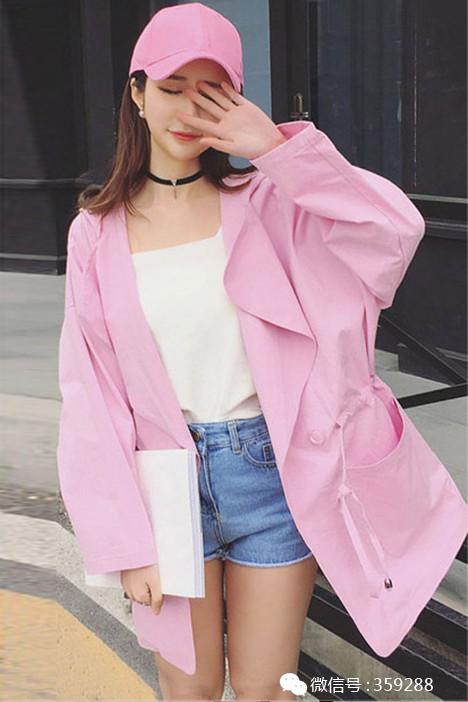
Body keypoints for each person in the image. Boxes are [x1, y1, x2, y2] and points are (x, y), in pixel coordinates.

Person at [57, 2, 468, 701]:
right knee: (187, 691)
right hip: (165, 488)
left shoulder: (272, 203)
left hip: (271, 474)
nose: (191, 110)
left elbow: (392, 231)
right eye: (173, 88)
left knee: (265, 690)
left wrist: (277, 148)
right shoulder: (96, 231)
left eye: (213, 92)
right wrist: (123, 542)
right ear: (137, 93)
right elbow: (90, 393)